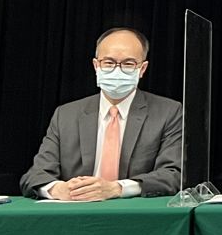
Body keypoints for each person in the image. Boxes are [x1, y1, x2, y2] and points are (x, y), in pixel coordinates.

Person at [21, 27, 184, 200]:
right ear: (96, 65)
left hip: (133, 210)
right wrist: (58, 189)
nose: (117, 70)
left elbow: (173, 175)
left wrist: (117, 189)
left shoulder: (168, 112)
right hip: (77, 209)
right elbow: (35, 176)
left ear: (142, 69)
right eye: (109, 62)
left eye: (128, 64)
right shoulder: (66, 115)